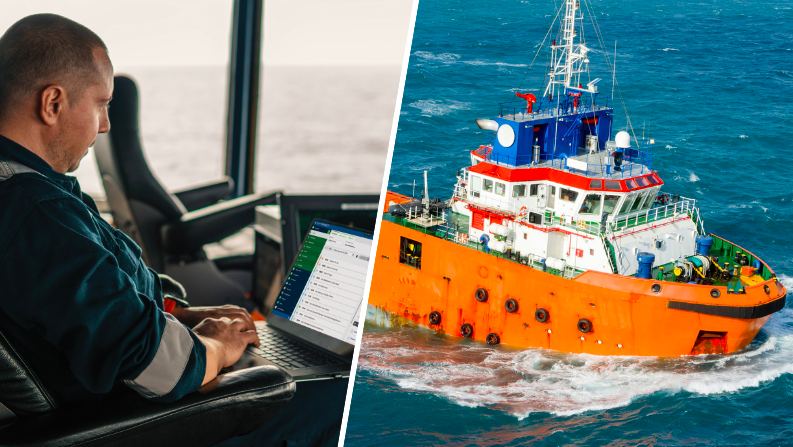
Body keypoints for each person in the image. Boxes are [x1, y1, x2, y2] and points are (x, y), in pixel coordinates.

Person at [0, 14, 344, 446]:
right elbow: (161, 371)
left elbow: (70, 310)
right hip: (133, 421)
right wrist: (216, 344)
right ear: (52, 103)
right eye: (101, 104)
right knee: (344, 396)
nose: (105, 125)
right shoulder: (36, 212)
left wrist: (175, 316)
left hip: (108, 400)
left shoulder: (27, 190)